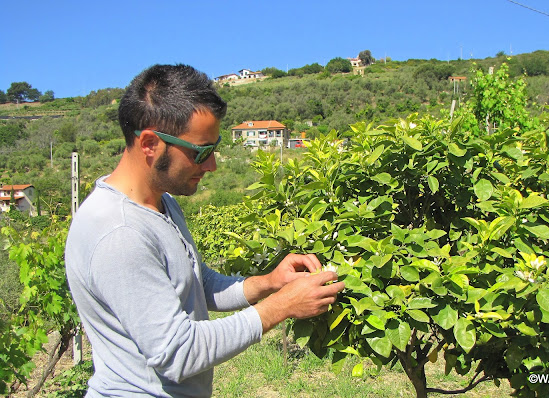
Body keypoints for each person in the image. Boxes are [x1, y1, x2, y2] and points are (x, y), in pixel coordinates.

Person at [65, 64, 344, 397]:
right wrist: (280, 307)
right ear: (151, 144)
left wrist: (269, 283)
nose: (211, 165)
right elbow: (178, 353)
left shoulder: (160, 203)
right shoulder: (118, 232)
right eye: (201, 152)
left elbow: (196, 283)